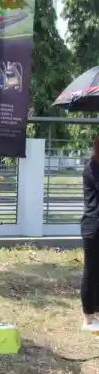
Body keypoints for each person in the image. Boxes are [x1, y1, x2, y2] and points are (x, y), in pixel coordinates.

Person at [80, 135, 99, 331]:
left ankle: (97, 313)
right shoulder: (92, 168)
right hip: (94, 226)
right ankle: (88, 318)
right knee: (91, 272)